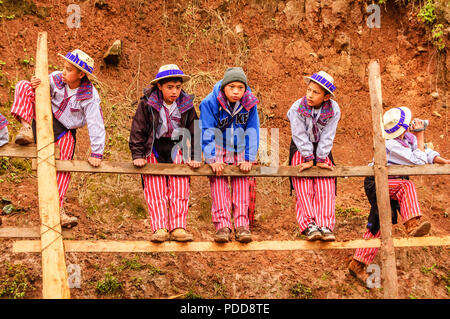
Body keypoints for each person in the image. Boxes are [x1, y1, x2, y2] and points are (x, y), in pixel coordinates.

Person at [348, 107, 449, 284]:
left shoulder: (406, 138)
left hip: (391, 182)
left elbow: (423, 151)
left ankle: (358, 263)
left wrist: (440, 159)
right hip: (378, 182)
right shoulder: (391, 144)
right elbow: (417, 160)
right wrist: (420, 135)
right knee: (406, 186)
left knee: (380, 221)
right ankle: (411, 225)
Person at [10, 49, 105, 228]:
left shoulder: (90, 96)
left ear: (81, 74)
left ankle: (58, 208)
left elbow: (96, 123)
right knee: (23, 85)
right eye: (64, 67)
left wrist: (97, 152)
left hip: (65, 129)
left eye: (69, 70)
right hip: (43, 118)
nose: (64, 71)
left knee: (64, 165)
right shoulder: (55, 78)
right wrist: (36, 83)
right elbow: (37, 89)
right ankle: (25, 127)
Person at [129, 64, 201, 243]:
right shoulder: (147, 104)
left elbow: (194, 130)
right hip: (154, 146)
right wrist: (138, 154)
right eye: (170, 87)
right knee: (155, 188)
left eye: (178, 87)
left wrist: (195, 156)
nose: (174, 91)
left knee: (180, 187)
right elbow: (138, 129)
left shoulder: (186, 105)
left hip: (178, 147)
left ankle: (178, 227)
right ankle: (160, 227)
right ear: (159, 86)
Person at [199, 67, 260, 243]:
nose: (236, 91)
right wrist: (211, 159)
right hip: (218, 144)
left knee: (242, 182)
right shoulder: (210, 102)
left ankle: (242, 226)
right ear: (224, 86)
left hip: (240, 145)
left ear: (245, 89)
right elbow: (206, 129)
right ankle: (222, 226)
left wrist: (248, 157)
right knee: (219, 185)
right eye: (232, 86)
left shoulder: (249, 103)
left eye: (240, 88)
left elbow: (253, 129)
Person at [287, 71, 340, 242]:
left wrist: (322, 158)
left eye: (316, 92)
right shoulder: (297, 108)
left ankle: (325, 224)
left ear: (326, 97)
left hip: (323, 148)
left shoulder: (333, 109)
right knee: (304, 187)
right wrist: (309, 158)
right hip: (300, 148)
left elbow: (329, 135)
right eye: (308, 90)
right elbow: (299, 134)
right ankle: (309, 224)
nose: (309, 95)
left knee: (326, 186)